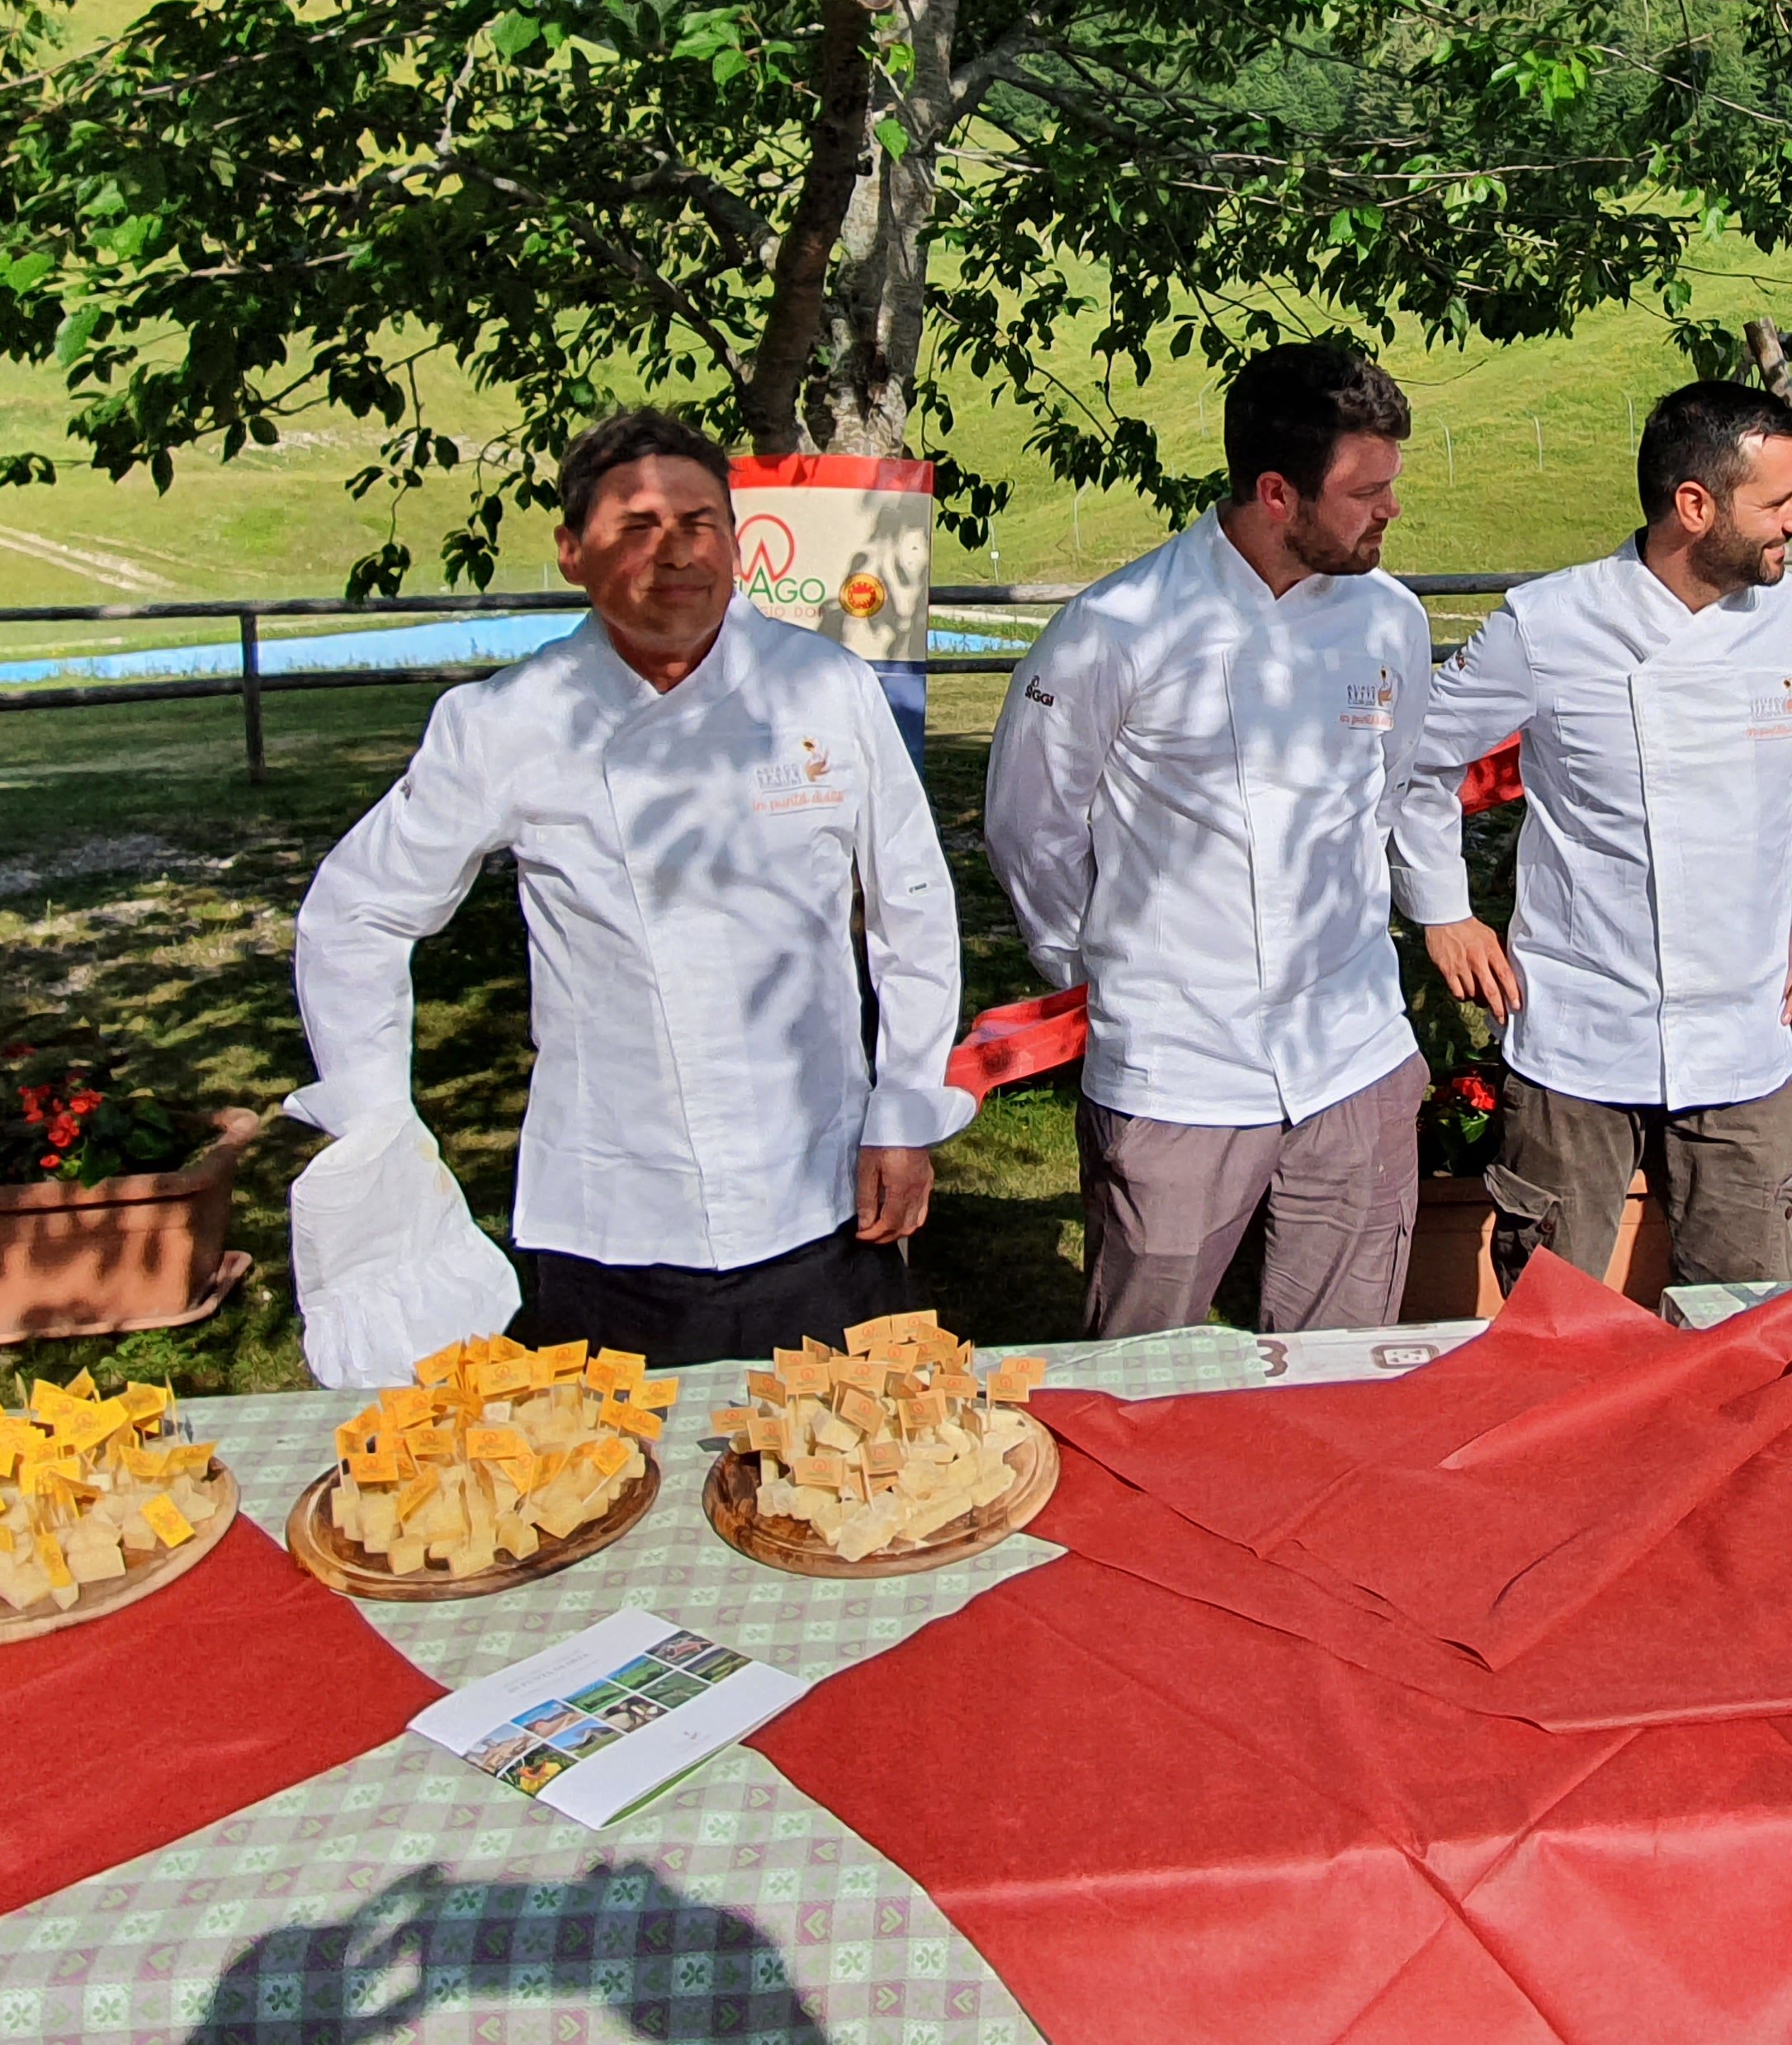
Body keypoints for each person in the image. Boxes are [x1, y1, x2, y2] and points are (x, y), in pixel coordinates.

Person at [288, 408, 968, 1378]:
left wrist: (905, 1109)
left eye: (700, 523)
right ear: (572, 551)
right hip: (610, 1216)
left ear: (736, 539)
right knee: (615, 1494)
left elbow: (911, 905)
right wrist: (374, 1134)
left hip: (819, 1194)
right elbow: (356, 912)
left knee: (852, 1486)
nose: (677, 552)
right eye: (636, 527)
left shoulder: (825, 690)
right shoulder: (506, 721)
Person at [1392, 381, 1792, 1292]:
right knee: (1555, 1323)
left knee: (1747, 1326)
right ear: (1694, 507)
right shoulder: (1549, 625)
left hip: (1744, 1037)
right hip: (1578, 1035)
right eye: (1778, 503)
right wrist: (1443, 909)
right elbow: (1417, 763)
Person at [984, 339, 1434, 1337]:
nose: (1390, 509)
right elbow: (1031, 831)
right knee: (1143, 1384)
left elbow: (1387, 796)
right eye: (1366, 490)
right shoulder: (1119, 627)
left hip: (1351, 1055)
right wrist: (1102, 966)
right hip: (1176, 1069)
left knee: (1343, 1378)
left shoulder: (1391, 621)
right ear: (1277, 492)